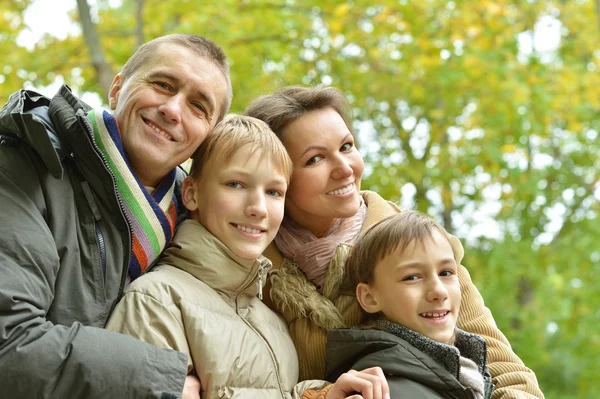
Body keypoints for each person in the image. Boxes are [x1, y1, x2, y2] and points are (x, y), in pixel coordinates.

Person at [244, 86, 544, 398]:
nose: (345, 169)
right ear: (277, 175)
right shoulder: (250, 265)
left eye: (347, 147)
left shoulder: (420, 246)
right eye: (316, 158)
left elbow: (507, 373)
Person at [0, 34, 232, 398]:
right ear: (117, 88)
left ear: (208, 136)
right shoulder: (27, 164)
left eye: (198, 106)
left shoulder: (201, 220)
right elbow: (9, 342)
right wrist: (161, 383)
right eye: (162, 84)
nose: (173, 110)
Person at [106, 114, 390, 399]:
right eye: (235, 185)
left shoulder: (272, 318)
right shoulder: (155, 301)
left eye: (273, 192)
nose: (259, 208)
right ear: (191, 193)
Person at [327, 211, 494, 398]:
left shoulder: (467, 369)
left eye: (446, 273)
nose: (438, 292)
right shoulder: (382, 390)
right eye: (412, 277)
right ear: (369, 297)